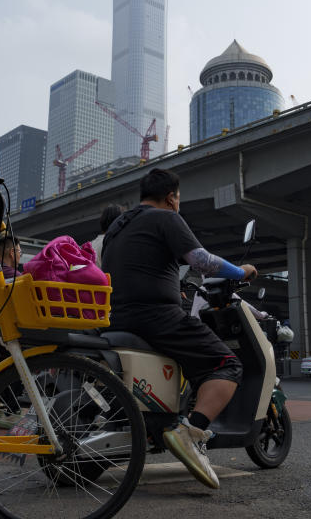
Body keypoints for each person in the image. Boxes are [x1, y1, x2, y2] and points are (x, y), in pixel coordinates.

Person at [101, 168, 257, 489]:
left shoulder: (117, 226)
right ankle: (190, 432)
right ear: (172, 197)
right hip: (155, 317)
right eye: (179, 197)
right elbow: (201, 260)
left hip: (115, 317)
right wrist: (240, 272)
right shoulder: (166, 218)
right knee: (227, 365)